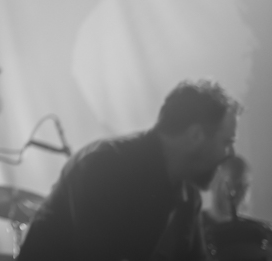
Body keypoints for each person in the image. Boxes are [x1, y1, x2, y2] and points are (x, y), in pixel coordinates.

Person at [17, 79, 240, 261]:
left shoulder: (187, 198)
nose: (229, 154)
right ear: (195, 136)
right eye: (227, 142)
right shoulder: (103, 166)